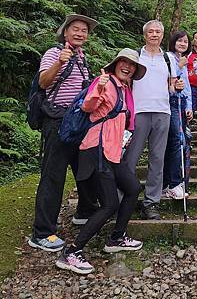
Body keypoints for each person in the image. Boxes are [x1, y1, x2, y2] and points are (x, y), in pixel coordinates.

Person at [56, 49, 145, 275]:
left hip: (112, 152)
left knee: (133, 187)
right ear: (116, 64)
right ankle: (72, 251)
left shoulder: (124, 89)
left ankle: (116, 237)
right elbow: (88, 106)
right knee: (109, 204)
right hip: (96, 149)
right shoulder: (105, 82)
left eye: (132, 65)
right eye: (124, 62)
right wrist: (99, 86)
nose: (128, 67)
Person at [28, 14, 99, 252]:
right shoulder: (53, 53)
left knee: (84, 168)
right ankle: (42, 232)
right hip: (57, 121)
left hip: (77, 121)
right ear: (65, 32)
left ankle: (85, 212)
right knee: (53, 176)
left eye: (84, 31)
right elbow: (43, 83)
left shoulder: (81, 57)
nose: (80, 33)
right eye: (75, 29)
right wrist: (59, 62)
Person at [124, 20, 183, 220]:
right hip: (138, 112)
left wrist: (178, 87)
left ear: (163, 35)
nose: (154, 34)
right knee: (130, 158)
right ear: (145, 35)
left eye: (158, 31)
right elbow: (126, 83)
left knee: (157, 160)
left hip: (162, 112)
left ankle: (151, 203)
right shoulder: (135, 56)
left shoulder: (168, 58)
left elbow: (171, 87)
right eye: (151, 31)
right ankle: (122, 197)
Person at [163, 31, 193, 199]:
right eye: (180, 41)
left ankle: (169, 182)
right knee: (175, 142)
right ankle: (174, 183)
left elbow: (186, 85)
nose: (182, 44)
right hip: (170, 102)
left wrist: (189, 106)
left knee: (177, 142)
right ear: (173, 41)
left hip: (181, 104)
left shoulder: (183, 60)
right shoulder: (167, 57)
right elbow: (169, 80)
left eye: (185, 41)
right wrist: (180, 66)